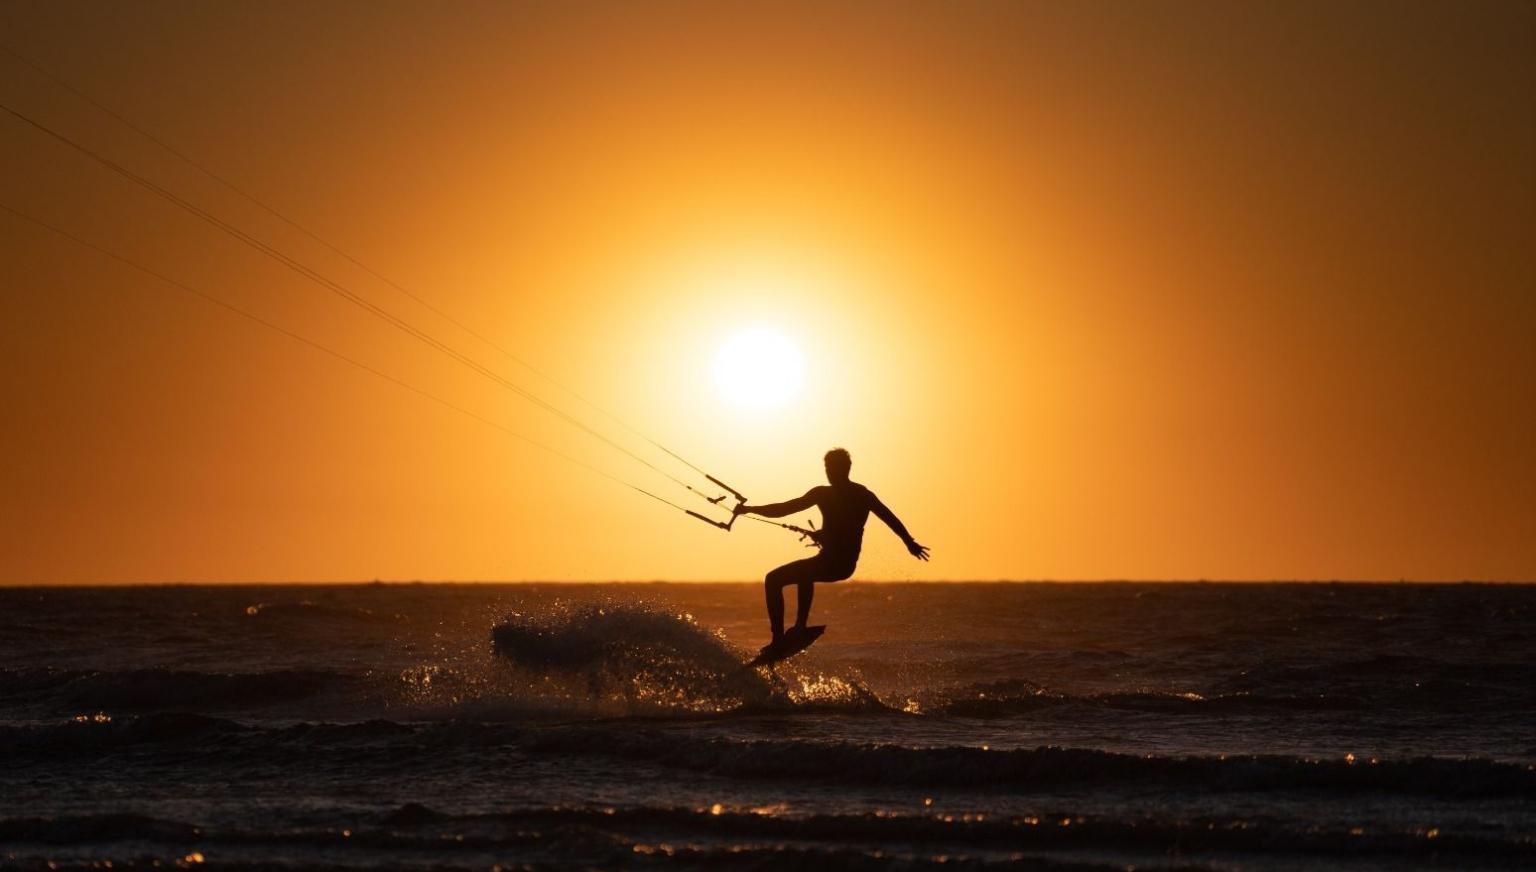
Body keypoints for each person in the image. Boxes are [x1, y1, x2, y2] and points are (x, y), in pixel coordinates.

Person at [734, 448, 929, 646]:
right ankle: (786, 634)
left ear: (846, 469)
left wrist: (908, 541)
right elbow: (786, 508)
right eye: (827, 468)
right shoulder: (822, 494)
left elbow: (889, 518)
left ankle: (790, 633)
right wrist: (751, 509)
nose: (829, 472)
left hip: (842, 565)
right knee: (786, 576)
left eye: (833, 468)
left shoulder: (862, 495)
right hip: (826, 560)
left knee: (790, 575)